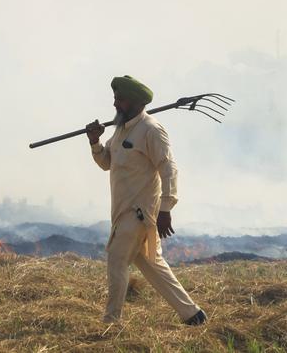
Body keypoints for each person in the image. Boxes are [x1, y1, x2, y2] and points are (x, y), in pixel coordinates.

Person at [85, 75, 207, 325]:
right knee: (153, 263)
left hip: (139, 215)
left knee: (117, 260)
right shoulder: (120, 131)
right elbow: (107, 163)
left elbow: (169, 168)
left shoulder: (151, 130)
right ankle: (192, 314)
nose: (115, 104)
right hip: (124, 212)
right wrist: (95, 142)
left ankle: (111, 323)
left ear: (135, 102)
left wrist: (166, 208)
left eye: (120, 100)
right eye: (115, 99)